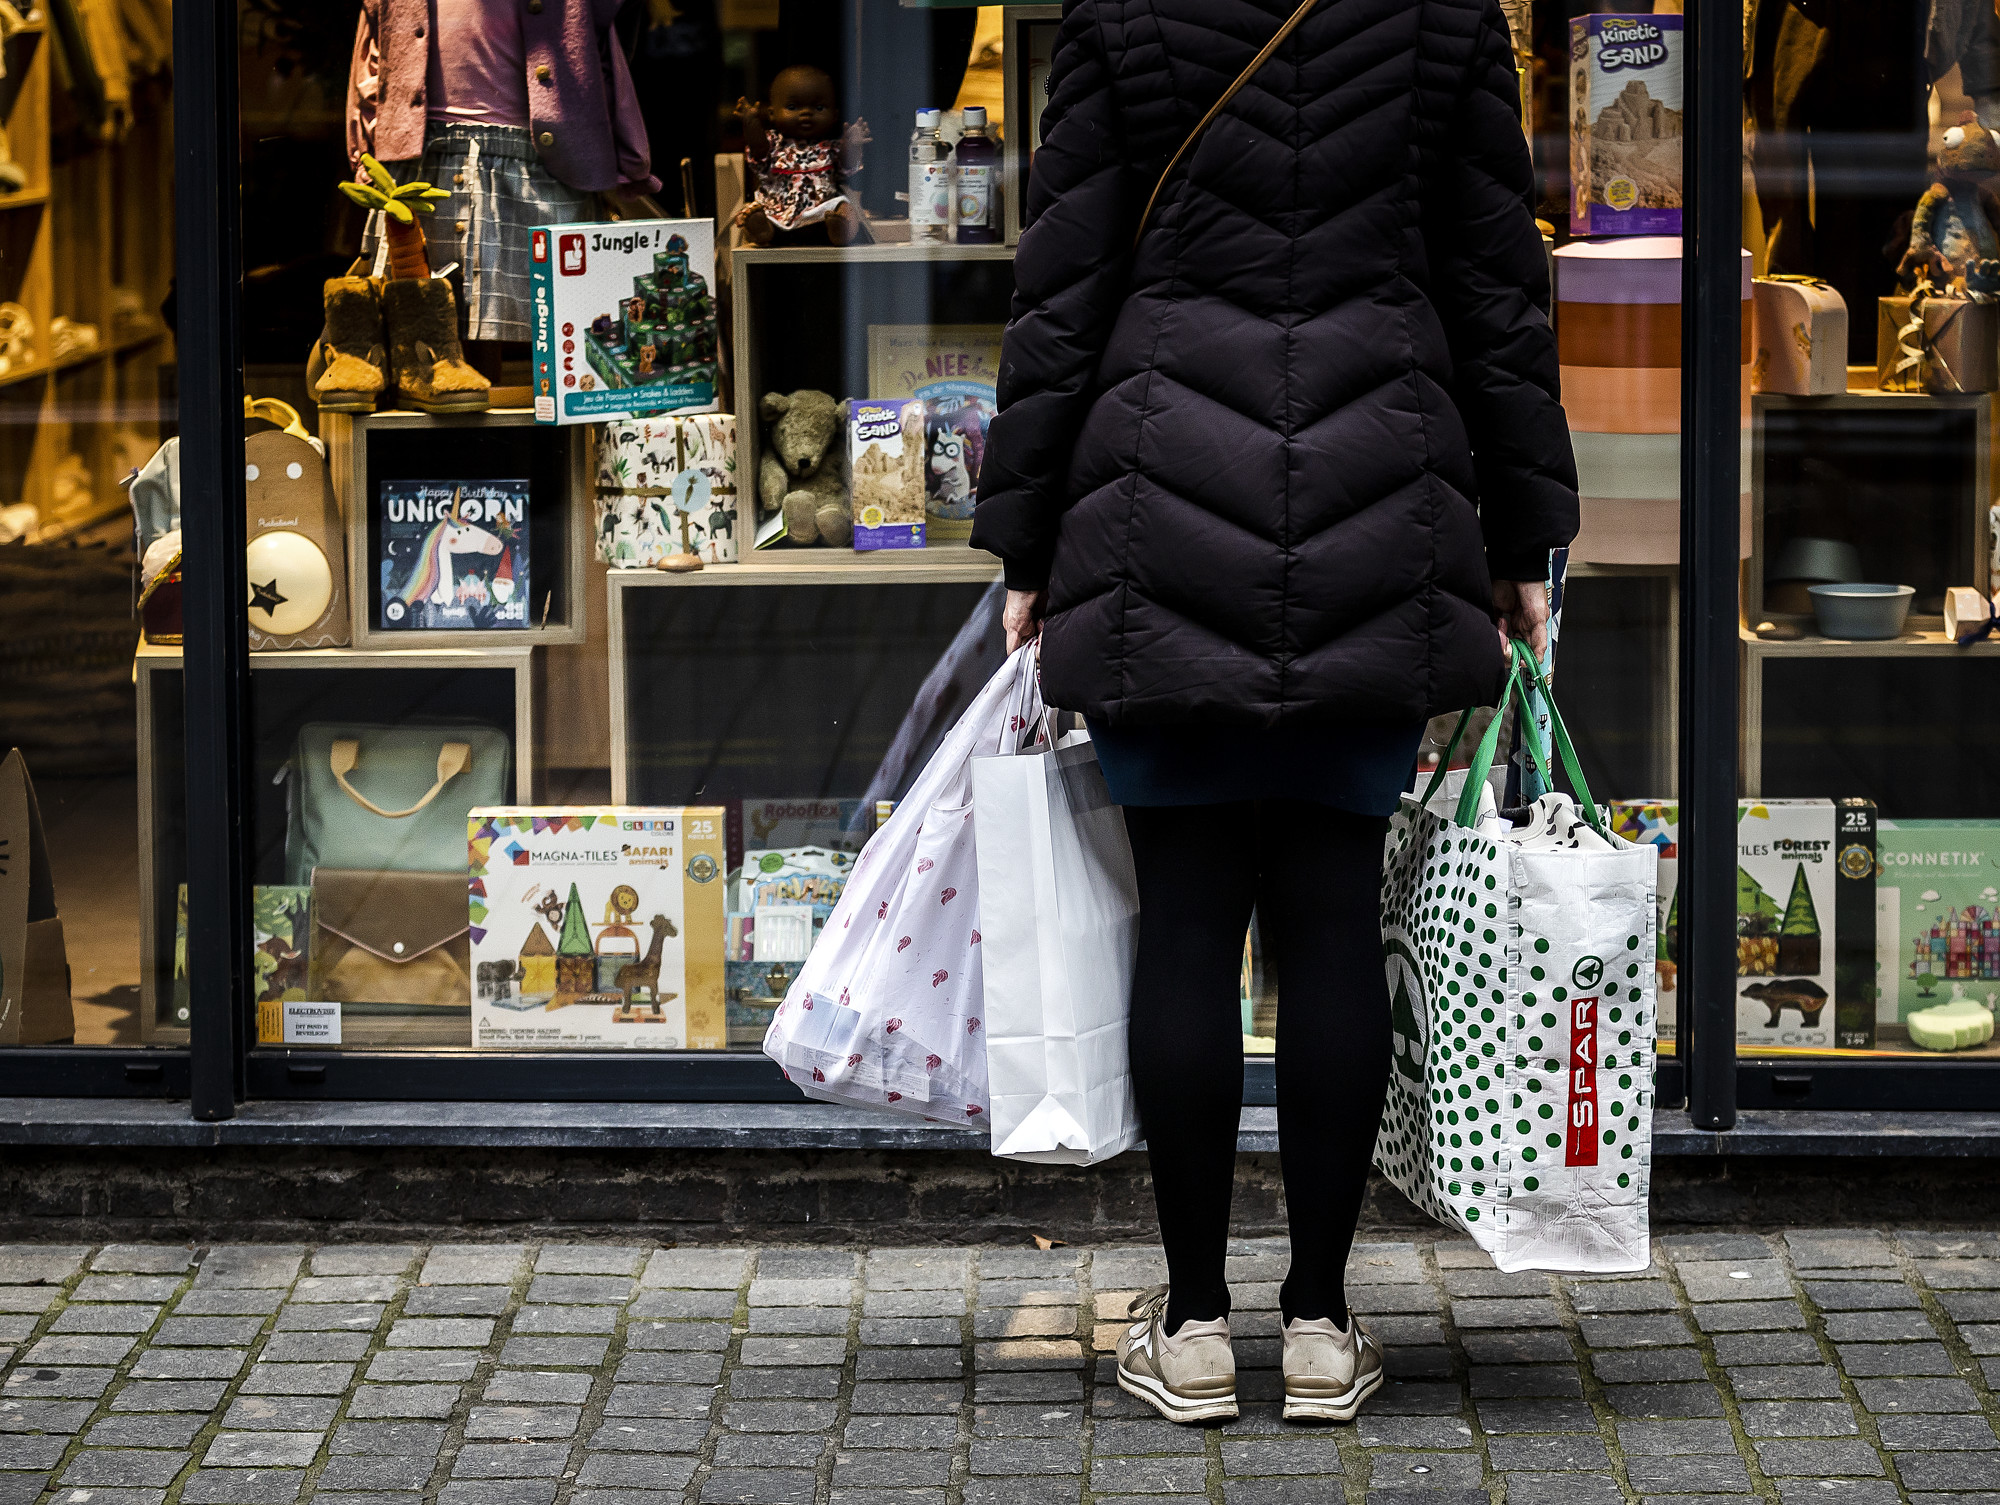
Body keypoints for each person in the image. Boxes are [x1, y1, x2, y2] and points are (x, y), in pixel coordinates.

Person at [970, 0, 1578, 1425]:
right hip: (1382, 496)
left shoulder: (1122, 15)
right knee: (1332, 920)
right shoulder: (1446, 20)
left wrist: (1025, 546)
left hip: (1159, 499)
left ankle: (1191, 1327)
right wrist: (1524, 542)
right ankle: (1316, 1324)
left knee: (1185, 921)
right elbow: (1499, 289)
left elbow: (1061, 288)